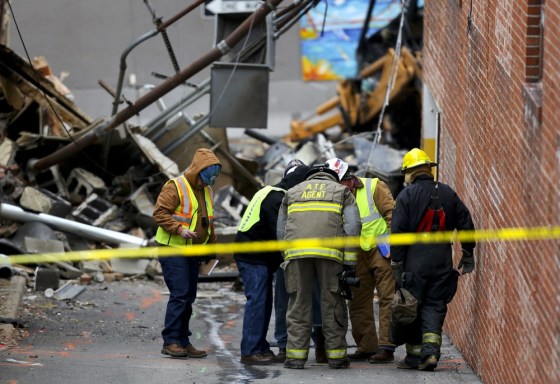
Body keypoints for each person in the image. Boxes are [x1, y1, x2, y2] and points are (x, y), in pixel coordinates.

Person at [390, 148, 476, 371]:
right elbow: (466, 223)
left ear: (409, 173)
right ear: (428, 169)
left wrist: (397, 264)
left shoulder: (406, 196)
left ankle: (413, 356)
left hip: (414, 260)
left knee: (411, 307)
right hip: (441, 259)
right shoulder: (448, 193)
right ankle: (431, 354)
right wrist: (468, 253)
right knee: (434, 306)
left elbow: (398, 233)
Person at [277, 162, 361, 369]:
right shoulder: (342, 191)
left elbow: (281, 229)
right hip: (330, 254)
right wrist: (349, 263)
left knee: (298, 304)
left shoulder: (292, 192)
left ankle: (295, 357)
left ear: (310, 176)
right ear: (332, 176)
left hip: (297, 254)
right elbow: (352, 227)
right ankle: (337, 357)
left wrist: (287, 255)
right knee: (332, 302)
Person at [234, 160, 310, 365]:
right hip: (253, 257)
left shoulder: (270, 191)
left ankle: (259, 347)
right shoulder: (277, 199)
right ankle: (250, 351)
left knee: (263, 303)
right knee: (257, 303)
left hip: (255, 256)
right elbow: (281, 233)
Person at [153, 148, 222, 358]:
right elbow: (159, 213)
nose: (203, 185)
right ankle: (171, 340)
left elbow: (208, 222)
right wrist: (179, 229)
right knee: (180, 295)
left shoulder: (206, 190)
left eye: (208, 182)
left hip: (193, 252)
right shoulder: (175, 186)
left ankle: (183, 340)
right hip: (173, 249)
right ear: (196, 172)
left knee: (188, 297)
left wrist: (212, 250)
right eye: (202, 180)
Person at [329, 159, 396, 364]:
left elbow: (392, 215)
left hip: (379, 250)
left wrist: (391, 246)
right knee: (358, 302)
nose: (337, 188)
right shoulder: (334, 196)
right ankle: (366, 347)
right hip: (355, 254)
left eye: (339, 183)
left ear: (349, 179)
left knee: (388, 298)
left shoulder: (374, 186)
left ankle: (386, 346)